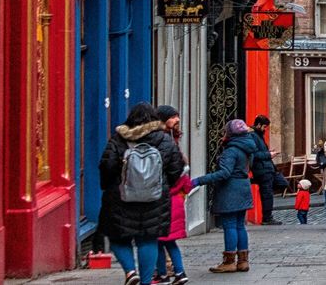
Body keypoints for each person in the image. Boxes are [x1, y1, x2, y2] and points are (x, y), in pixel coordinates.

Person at [98, 102, 186, 285]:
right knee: (148, 240)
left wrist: (110, 187)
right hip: (154, 199)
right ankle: (145, 282)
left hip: (121, 198)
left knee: (117, 237)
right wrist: (162, 185)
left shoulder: (118, 139)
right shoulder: (165, 140)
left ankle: (130, 271)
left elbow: (107, 166)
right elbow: (177, 168)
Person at [193, 119, 261, 273]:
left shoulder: (231, 150)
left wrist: (199, 181)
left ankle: (229, 261)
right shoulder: (247, 147)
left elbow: (224, 173)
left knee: (229, 225)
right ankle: (243, 261)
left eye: (225, 132)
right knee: (239, 225)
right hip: (243, 187)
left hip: (230, 190)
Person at [155, 105, 192, 285]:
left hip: (165, 199)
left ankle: (163, 274)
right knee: (168, 242)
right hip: (174, 199)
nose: (177, 120)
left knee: (159, 241)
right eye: (174, 116)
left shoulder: (164, 141)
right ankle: (178, 272)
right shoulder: (171, 141)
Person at [249, 115, 288, 225]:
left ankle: (255, 180)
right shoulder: (252, 136)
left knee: (282, 183)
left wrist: (268, 152)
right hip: (262, 169)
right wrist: (268, 154)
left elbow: (260, 152)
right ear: (259, 125)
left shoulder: (259, 136)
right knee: (267, 193)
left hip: (268, 168)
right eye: (265, 127)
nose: (266, 129)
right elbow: (254, 154)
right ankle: (267, 217)